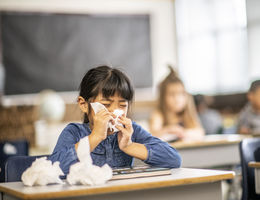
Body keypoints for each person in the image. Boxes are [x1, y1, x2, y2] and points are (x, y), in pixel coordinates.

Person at [49, 65, 181, 175]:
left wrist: (129, 146)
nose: (114, 112)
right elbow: (54, 169)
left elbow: (174, 159)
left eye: (122, 105)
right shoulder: (74, 132)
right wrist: (95, 137)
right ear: (84, 104)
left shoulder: (130, 132)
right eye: (106, 105)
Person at [149, 66, 204, 141]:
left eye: (181, 94)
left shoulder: (187, 114)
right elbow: (152, 134)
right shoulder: (159, 114)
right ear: (163, 97)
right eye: (172, 94)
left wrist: (184, 133)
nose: (177, 99)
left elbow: (200, 133)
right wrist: (168, 130)